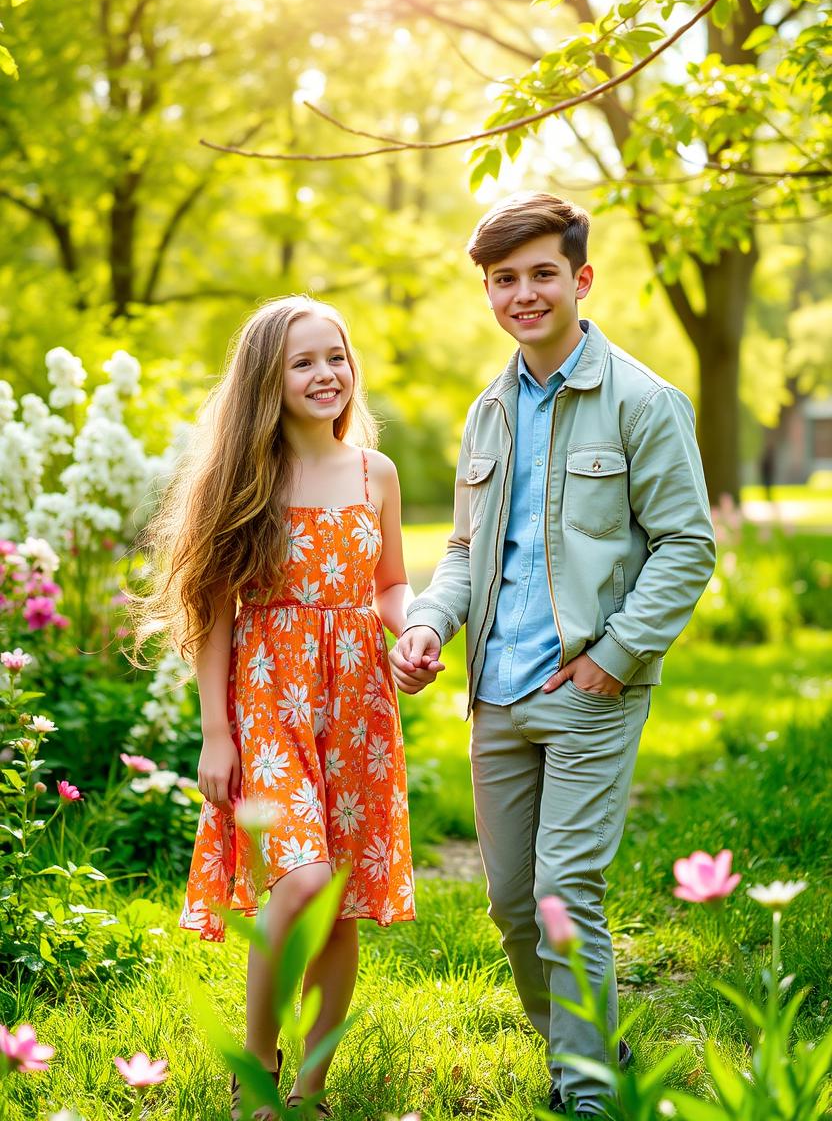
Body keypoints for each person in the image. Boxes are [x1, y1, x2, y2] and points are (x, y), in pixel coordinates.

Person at [389, 192, 715, 1118]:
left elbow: (687, 545)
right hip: (495, 692)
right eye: (504, 280)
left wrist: (615, 657)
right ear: (488, 291)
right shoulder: (487, 412)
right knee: (510, 905)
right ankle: (583, 1041)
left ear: (581, 278)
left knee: (565, 892)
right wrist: (427, 624)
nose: (523, 294)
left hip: (587, 688)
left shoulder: (644, 402)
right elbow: (464, 549)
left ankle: (587, 1090)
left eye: (542, 274)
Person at [136, 297, 415, 1120]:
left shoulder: (376, 473)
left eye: (336, 357)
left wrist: (411, 632)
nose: (326, 374)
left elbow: (391, 582)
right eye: (304, 362)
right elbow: (214, 613)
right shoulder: (245, 481)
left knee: (339, 905)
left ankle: (310, 1091)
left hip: (360, 704)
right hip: (269, 704)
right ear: (268, 378)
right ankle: (257, 1062)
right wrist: (215, 735)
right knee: (302, 883)